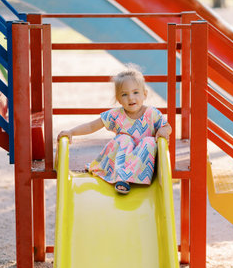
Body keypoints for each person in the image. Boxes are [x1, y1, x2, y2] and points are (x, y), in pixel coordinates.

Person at [57, 65, 171, 194]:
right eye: (124, 94)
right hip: (122, 161)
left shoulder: (152, 113)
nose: (131, 98)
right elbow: (91, 126)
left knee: (150, 141)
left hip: (143, 163)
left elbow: (167, 127)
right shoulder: (116, 115)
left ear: (144, 94)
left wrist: (163, 130)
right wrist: (71, 132)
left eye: (136, 92)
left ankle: (133, 174)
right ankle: (123, 178)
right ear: (118, 99)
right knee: (124, 139)